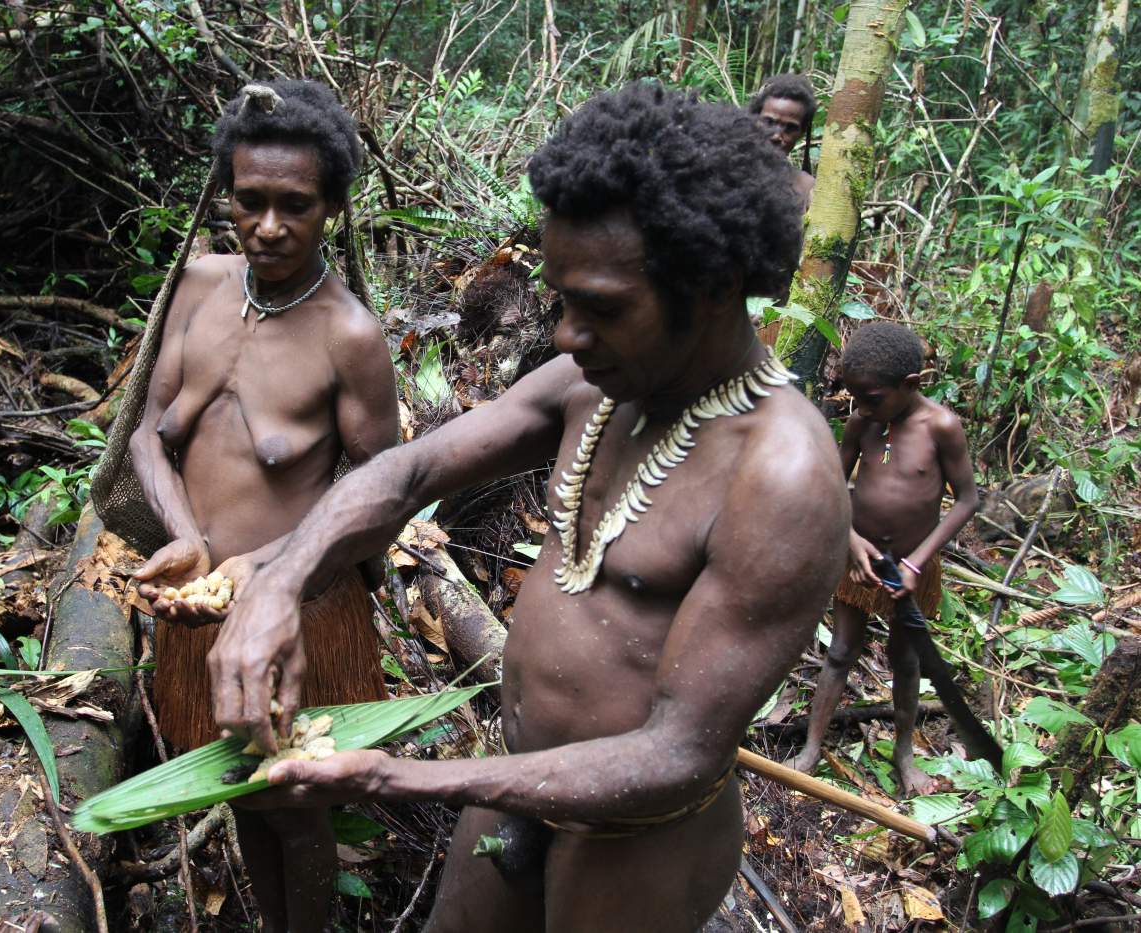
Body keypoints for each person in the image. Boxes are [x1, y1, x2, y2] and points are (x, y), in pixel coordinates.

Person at [209, 83, 850, 932]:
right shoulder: (592, 388)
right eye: (563, 301)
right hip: (513, 789)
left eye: (603, 308)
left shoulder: (782, 476)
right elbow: (405, 474)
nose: (565, 337)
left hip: (638, 842)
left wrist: (393, 777)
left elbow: (678, 754)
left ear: (715, 283)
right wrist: (280, 583)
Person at [128, 80, 399, 932]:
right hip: (197, 612)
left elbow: (380, 501)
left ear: (333, 208)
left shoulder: (346, 336)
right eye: (250, 202)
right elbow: (146, 436)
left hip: (301, 614)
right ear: (226, 197)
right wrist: (191, 543)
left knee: (297, 800)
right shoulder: (200, 284)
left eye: (297, 205)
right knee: (237, 788)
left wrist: (263, 564)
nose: (271, 226)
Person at [789, 321, 979, 797]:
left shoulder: (941, 427)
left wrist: (917, 563)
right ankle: (812, 748)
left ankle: (904, 753)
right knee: (839, 651)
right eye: (855, 398)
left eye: (872, 397)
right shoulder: (862, 422)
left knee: (906, 660)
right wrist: (851, 540)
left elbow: (967, 501)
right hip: (859, 561)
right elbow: (833, 484)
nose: (862, 408)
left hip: (912, 565)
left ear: (910, 385)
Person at [747, 74, 817, 212]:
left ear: (802, 133)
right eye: (768, 123)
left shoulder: (806, 188)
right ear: (754, 120)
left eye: (790, 128)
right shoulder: (724, 171)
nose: (776, 135)